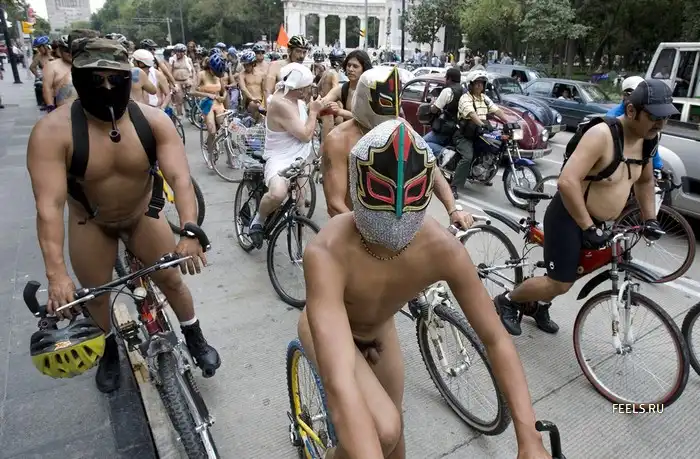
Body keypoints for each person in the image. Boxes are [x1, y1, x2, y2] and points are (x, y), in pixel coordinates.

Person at [300, 118, 552, 459]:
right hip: (329, 330)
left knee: (394, 440)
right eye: (382, 196)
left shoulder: (441, 248)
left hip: (378, 330)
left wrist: (530, 437)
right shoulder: (328, 251)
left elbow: (495, 338)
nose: (396, 216)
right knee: (384, 431)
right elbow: (339, 380)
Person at [26, 37, 221, 393]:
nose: (105, 87)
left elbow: (180, 178)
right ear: (78, 77)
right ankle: (109, 352)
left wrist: (190, 231)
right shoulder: (52, 132)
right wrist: (56, 274)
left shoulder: (153, 121)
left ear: (128, 77)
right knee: (96, 296)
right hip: (91, 223)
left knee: (172, 280)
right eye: (94, 78)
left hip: (142, 214)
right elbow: (48, 207)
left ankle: (194, 334)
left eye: (114, 78)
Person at [494, 79, 676, 336]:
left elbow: (645, 181)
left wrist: (650, 220)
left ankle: (539, 305)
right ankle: (508, 300)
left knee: (579, 270)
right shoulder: (602, 135)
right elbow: (567, 182)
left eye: (665, 118)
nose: (660, 124)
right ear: (631, 111)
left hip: (598, 222)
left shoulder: (648, 140)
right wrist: (587, 226)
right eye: (654, 117)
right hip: (570, 216)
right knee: (560, 282)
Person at [322, 66, 473, 230]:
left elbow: (431, 167)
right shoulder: (339, 140)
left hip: (400, 227)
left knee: (448, 244)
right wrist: (369, 235)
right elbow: (335, 205)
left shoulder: (401, 127)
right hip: (354, 229)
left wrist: (453, 210)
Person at [248, 63, 328, 247]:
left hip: (299, 157)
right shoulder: (280, 103)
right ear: (299, 89)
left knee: (300, 205)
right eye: (308, 87)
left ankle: (300, 249)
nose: (310, 91)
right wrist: (314, 111)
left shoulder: (296, 99)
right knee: (277, 194)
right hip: (279, 157)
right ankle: (258, 220)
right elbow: (305, 135)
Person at [449, 70, 507, 198]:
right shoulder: (465, 98)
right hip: (464, 135)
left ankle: (483, 175)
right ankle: (454, 186)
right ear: (470, 84)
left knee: (492, 149)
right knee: (467, 157)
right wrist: (481, 124)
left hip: (480, 132)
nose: (480, 85)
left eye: (482, 83)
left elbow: (496, 110)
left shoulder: (484, 98)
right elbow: (471, 114)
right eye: (477, 83)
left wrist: (508, 122)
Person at [607, 76, 664, 171]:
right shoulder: (612, 118)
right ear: (624, 95)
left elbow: (651, 146)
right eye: (631, 93)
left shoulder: (646, 113)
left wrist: (658, 165)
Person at [319, 50, 371, 139]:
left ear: (364, 69)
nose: (351, 69)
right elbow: (322, 102)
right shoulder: (342, 89)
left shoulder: (370, 91)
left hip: (365, 139)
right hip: (347, 138)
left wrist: (340, 111)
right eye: (348, 65)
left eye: (355, 66)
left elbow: (368, 121)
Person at [192, 53, 228, 166]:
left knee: (224, 128)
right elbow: (192, 91)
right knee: (212, 130)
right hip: (207, 104)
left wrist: (223, 97)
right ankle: (210, 155)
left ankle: (228, 156)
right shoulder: (202, 74)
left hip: (218, 103)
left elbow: (224, 91)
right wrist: (207, 94)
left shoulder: (219, 75)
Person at [423, 67, 463, 155]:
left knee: (421, 144)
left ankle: (445, 153)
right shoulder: (464, 90)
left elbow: (434, 110)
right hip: (457, 129)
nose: (445, 81)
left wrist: (433, 104)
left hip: (445, 129)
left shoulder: (448, 91)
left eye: (446, 78)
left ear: (449, 78)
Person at [264, 35, 310, 102]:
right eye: (298, 51)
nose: (302, 56)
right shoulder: (275, 66)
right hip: (277, 105)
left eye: (304, 52)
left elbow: (307, 97)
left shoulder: (305, 70)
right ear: (289, 51)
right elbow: (267, 91)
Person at [42, 35, 76, 111]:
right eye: (66, 50)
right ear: (60, 50)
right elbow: (47, 88)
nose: (70, 53)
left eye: (73, 50)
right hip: (62, 109)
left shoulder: (84, 65)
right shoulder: (51, 66)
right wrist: (50, 107)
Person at [169, 43, 195, 116]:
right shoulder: (172, 60)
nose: (178, 53)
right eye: (177, 52)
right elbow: (169, 73)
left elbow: (193, 71)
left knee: (190, 97)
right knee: (179, 100)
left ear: (183, 52)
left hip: (187, 80)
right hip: (177, 82)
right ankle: (179, 115)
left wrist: (192, 80)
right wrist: (171, 84)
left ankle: (190, 111)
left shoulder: (188, 60)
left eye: (180, 52)